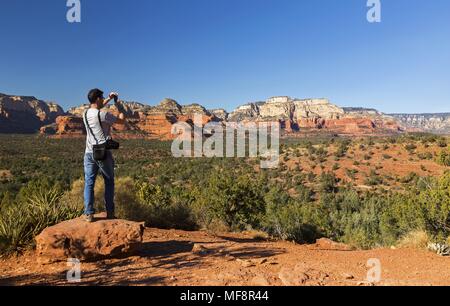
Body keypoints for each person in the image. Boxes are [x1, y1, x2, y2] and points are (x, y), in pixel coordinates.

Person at [83, 88, 126, 222]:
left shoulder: (85, 113)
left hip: (89, 153)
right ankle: (110, 213)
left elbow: (97, 107)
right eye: (102, 98)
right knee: (109, 182)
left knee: (89, 183)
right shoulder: (104, 114)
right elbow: (121, 121)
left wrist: (109, 98)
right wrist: (118, 105)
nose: (103, 100)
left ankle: (89, 213)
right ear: (97, 99)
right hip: (102, 153)